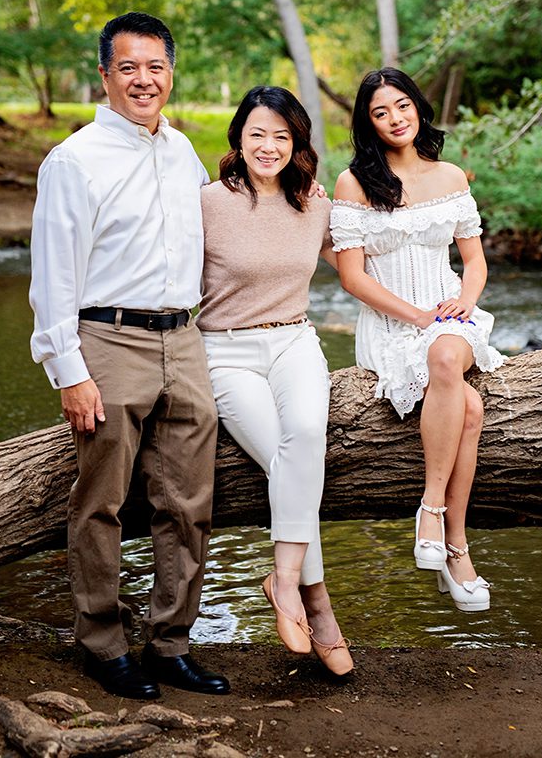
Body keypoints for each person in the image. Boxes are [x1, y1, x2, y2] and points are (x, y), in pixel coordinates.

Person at [29, 11, 229, 699]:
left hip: (185, 339)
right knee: (102, 504)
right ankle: (101, 643)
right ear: (106, 75)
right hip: (108, 341)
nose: (143, 80)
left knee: (188, 502)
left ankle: (171, 644)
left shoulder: (182, 154)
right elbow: (52, 276)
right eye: (129, 68)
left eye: (155, 67)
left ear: (170, 73)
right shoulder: (74, 160)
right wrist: (70, 372)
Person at [331, 68, 505, 613]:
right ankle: (454, 545)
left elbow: (474, 264)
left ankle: (435, 517)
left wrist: (464, 305)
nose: (394, 119)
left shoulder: (451, 176)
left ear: (417, 108)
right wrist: (417, 317)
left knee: (448, 353)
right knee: (469, 411)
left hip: (449, 312)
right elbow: (352, 277)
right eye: (380, 113)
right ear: (368, 123)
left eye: (402, 106)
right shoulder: (354, 183)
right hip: (390, 322)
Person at [197, 86, 353, 676]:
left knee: (308, 433)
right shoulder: (207, 202)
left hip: (293, 340)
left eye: (282, 137)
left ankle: (284, 582)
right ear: (239, 137)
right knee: (287, 461)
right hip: (225, 353)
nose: (269, 146)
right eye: (258, 133)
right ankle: (319, 605)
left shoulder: (314, 205)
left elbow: (363, 265)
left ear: (298, 144)